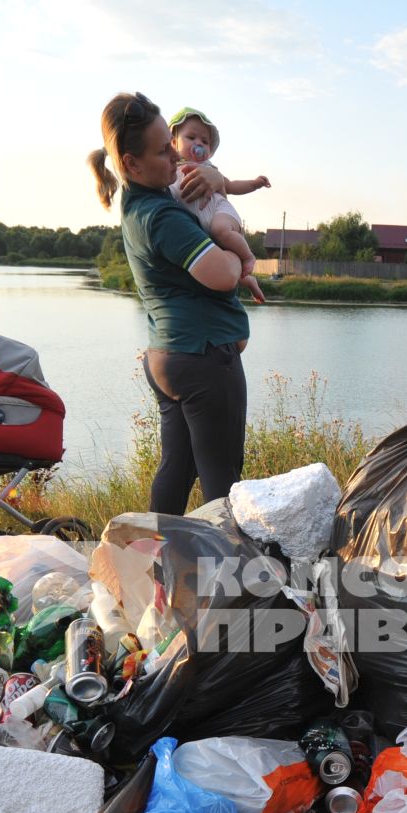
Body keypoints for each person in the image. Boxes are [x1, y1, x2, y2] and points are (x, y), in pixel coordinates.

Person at [88, 91, 250, 516]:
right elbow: (223, 274)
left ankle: (158, 567)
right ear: (130, 163)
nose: (176, 160)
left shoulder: (141, 203)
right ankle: (224, 577)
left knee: (177, 469)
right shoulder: (163, 217)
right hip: (203, 358)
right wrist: (241, 257)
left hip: (166, 356)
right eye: (163, 151)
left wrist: (216, 181)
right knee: (224, 481)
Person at [166, 107, 271, 304]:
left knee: (220, 230)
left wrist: (254, 183)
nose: (199, 143)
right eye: (191, 137)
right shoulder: (170, 171)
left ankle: (248, 257)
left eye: (204, 141)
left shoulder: (209, 168)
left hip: (219, 211)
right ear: (173, 142)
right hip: (200, 224)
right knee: (216, 252)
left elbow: (230, 186)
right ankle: (248, 279)